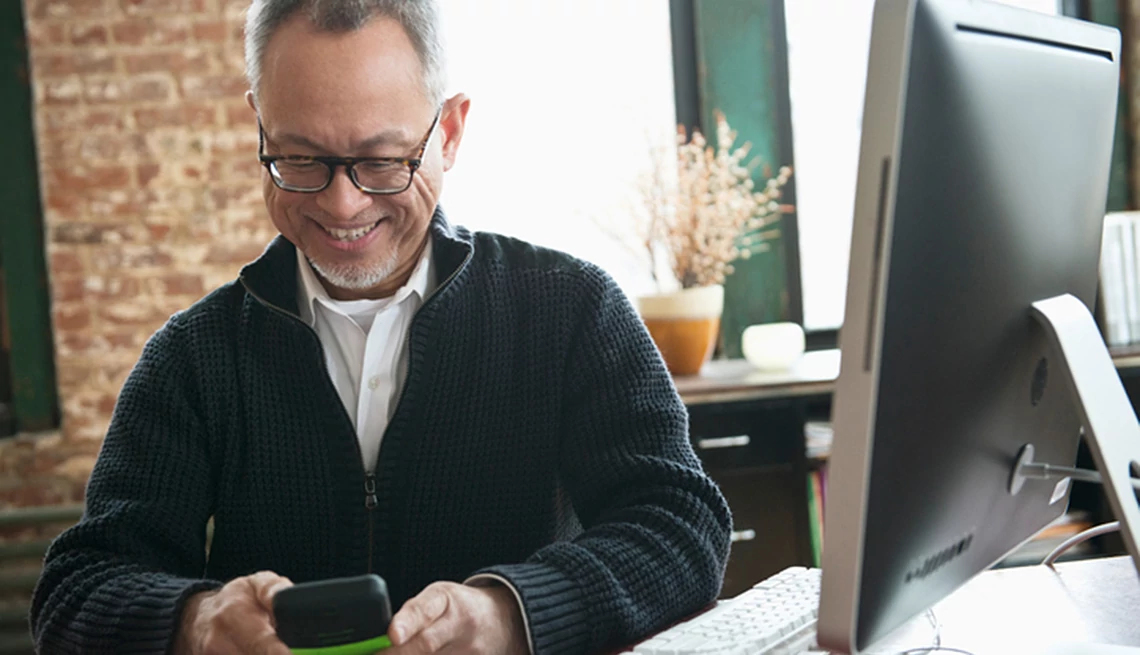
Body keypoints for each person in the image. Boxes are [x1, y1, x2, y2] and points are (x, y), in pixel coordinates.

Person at [30, 1, 732, 653]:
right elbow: (78, 588)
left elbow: (682, 528)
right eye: (300, 158)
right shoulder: (193, 357)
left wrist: (511, 611)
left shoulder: (573, 310)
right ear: (259, 127)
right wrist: (196, 618)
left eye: (382, 161)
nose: (343, 204)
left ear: (449, 133)